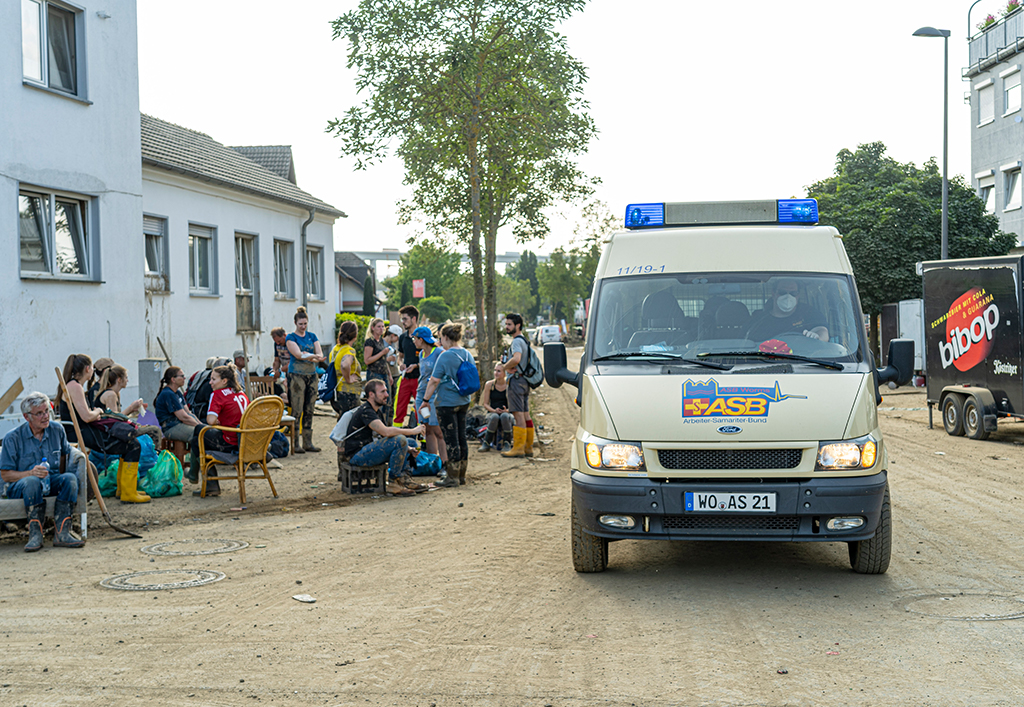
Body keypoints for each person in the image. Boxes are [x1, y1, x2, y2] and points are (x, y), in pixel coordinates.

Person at [56, 354, 149, 503]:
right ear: (88, 369)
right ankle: (127, 493)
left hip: (84, 429)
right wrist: (98, 411)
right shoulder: (75, 386)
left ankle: (124, 490)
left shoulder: (73, 385)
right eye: (92, 367)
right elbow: (86, 416)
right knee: (133, 445)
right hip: (81, 432)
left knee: (131, 444)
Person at [0, 392, 85, 551]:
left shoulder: (56, 430)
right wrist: (30, 473)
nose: (45, 416)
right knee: (32, 482)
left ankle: (62, 532)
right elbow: (5, 475)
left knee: (69, 479)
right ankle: (35, 534)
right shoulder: (13, 438)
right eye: (39, 413)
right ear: (27, 417)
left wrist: (59, 477)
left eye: (47, 411)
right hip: (20, 487)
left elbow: (64, 457)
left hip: (48, 482)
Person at [344, 379, 425, 495]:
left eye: (386, 391)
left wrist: (408, 449)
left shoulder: (377, 412)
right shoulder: (366, 411)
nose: (387, 395)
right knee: (400, 440)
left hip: (371, 449)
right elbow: (386, 432)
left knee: (410, 442)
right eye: (382, 392)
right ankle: (393, 483)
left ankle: (404, 479)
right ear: (371, 395)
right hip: (357, 455)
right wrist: (413, 430)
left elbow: (383, 437)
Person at [422, 323, 476, 487]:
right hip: (464, 401)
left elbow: (434, 380)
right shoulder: (467, 354)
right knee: (461, 438)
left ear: (445, 337)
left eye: (440, 338)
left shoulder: (445, 356)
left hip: (447, 403)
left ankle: (451, 477)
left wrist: (425, 400)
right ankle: (461, 475)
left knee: (451, 439)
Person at [188, 365, 250, 497]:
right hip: (247, 441)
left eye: (213, 379)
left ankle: (203, 479)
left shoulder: (217, 394)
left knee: (197, 437)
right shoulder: (241, 393)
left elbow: (210, 421)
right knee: (199, 432)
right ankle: (195, 474)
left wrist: (217, 420)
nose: (210, 382)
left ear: (224, 381)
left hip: (231, 442)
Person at [285, 306, 325, 453]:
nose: (303, 326)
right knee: (297, 409)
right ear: (295, 323)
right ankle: (295, 443)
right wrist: (313, 356)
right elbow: (298, 355)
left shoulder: (312, 336)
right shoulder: (291, 337)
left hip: (311, 375)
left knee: (310, 408)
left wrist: (310, 355)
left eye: (305, 323)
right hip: (296, 375)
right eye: (300, 324)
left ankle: (308, 442)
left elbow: (319, 354)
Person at [745, 278, 829, 343]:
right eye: (782, 292)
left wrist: (818, 337)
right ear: (773, 293)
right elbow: (747, 345)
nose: (788, 297)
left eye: (793, 293)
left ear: (798, 295)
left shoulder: (809, 313)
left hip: (803, 362)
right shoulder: (758, 320)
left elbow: (822, 330)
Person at [96, 364, 161, 445]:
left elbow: (116, 416)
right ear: (119, 380)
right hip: (107, 435)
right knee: (155, 430)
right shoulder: (110, 395)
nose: (127, 380)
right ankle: (154, 456)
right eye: (126, 377)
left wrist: (134, 410)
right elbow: (114, 420)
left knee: (144, 426)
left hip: (110, 430)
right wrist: (131, 407)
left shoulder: (114, 393)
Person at [412, 326, 447, 475]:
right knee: (427, 429)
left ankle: (445, 464)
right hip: (421, 397)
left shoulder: (439, 352)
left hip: (433, 398)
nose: (413, 341)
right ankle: (433, 462)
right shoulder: (421, 354)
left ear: (421, 339)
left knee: (438, 430)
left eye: (415, 338)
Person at [501, 312, 535, 458]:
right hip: (525, 381)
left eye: (509, 324)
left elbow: (516, 358)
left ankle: (518, 448)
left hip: (516, 380)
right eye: (506, 324)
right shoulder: (524, 340)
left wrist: (503, 367)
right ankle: (528, 448)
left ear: (518, 325)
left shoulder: (516, 342)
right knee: (526, 414)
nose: (507, 327)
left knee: (518, 414)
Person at [154, 366, 202, 444]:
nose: (185, 378)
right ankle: (197, 456)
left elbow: (188, 413)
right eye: (182, 376)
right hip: (171, 427)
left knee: (205, 432)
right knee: (200, 435)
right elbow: (183, 417)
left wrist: (202, 425)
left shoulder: (177, 393)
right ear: (173, 379)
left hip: (180, 424)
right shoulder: (168, 394)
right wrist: (200, 428)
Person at [393, 305, 421, 426]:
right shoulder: (402, 337)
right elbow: (400, 356)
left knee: (421, 410)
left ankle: (424, 439)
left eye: (405, 319)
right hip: (404, 379)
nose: (402, 322)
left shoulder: (423, 336)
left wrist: (416, 366)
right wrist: (401, 364)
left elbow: (431, 358)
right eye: (402, 319)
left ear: (413, 319)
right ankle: (395, 436)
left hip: (420, 380)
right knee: (399, 409)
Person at [478, 363, 514, 453]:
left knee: (504, 416)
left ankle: (507, 443)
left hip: (507, 413)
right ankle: (486, 442)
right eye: (495, 370)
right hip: (492, 412)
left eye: (499, 371)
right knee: (495, 417)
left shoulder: (509, 385)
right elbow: (485, 404)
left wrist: (507, 410)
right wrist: (494, 410)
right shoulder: (489, 385)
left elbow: (514, 406)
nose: (496, 373)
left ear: (505, 373)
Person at [330, 320, 363, 416]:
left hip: (336, 391)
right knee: (350, 423)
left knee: (342, 422)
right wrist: (348, 379)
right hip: (348, 392)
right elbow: (344, 365)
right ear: (355, 335)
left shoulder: (335, 349)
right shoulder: (349, 350)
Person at [363, 318, 393, 422]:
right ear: (373, 328)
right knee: (377, 401)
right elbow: (367, 360)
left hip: (384, 373)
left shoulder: (381, 341)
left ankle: (386, 424)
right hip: (374, 374)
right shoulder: (370, 342)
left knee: (387, 401)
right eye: (379, 327)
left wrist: (389, 374)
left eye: (382, 327)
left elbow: (384, 361)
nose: (381, 329)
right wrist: (382, 353)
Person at [270, 327, 290, 402]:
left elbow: (292, 363)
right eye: (276, 342)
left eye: (279, 341)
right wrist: (275, 371)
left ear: (284, 335)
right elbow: (277, 360)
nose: (278, 343)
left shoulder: (290, 342)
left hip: (295, 371)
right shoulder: (277, 344)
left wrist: (280, 371)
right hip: (286, 372)